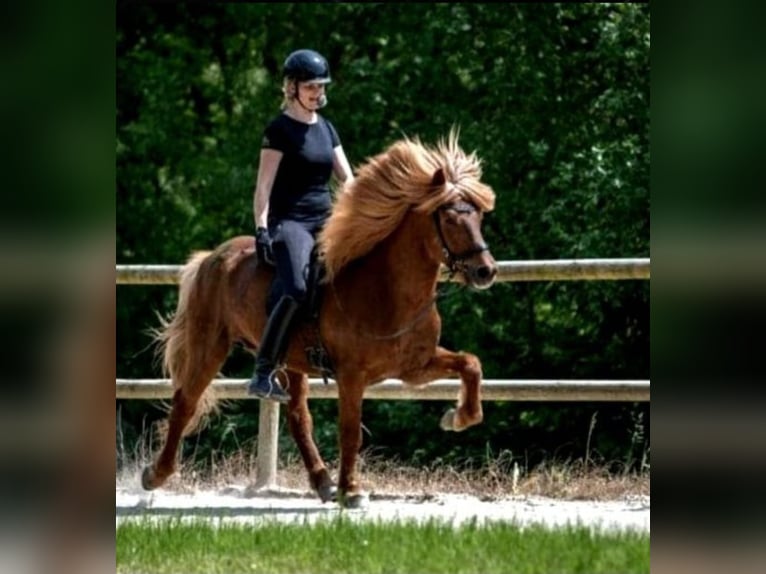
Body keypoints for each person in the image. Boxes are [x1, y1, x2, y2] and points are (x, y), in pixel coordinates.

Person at [247, 48, 354, 402]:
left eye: (322, 86)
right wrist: (261, 228)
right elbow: (263, 187)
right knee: (294, 286)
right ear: (292, 88)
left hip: (326, 219)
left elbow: (348, 182)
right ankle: (264, 370)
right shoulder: (279, 131)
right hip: (290, 221)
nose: (318, 93)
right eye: (311, 87)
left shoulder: (327, 127)